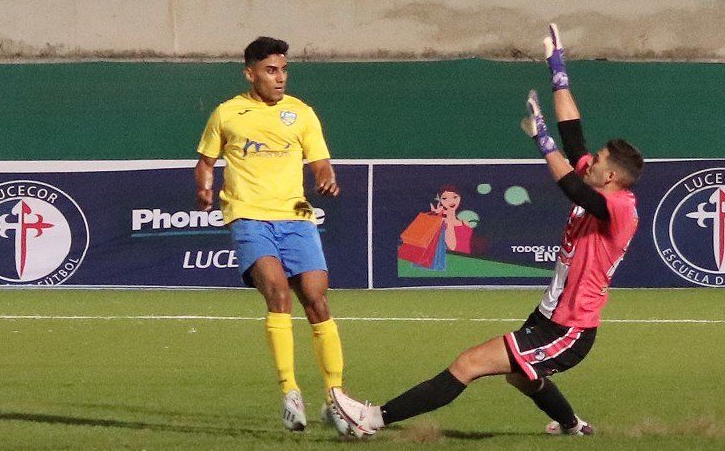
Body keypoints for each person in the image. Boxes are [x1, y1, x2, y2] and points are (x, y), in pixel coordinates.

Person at [329, 24, 644, 438]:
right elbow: (575, 137)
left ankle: (371, 420)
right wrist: (557, 67)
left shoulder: (619, 209)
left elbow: (570, 183)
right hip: (551, 315)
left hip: (570, 328)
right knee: (520, 376)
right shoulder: (601, 183)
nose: (591, 160)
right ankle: (573, 426)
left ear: (613, 176)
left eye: (600, 160)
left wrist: (543, 141)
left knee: (468, 364)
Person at [194, 36, 347, 432]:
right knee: (278, 294)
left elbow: (321, 163)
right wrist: (204, 186)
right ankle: (290, 393)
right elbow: (206, 160)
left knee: (317, 301)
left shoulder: (302, 113)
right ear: (251, 73)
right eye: (271, 71)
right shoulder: (228, 113)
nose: (280, 79)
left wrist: (327, 179)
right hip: (248, 216)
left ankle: (335, 396)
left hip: (296, 217)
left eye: (284, 70)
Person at [429, 184, 473, 254]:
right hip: (450, 260)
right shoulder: (441, 222)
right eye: (445, 198)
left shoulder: (465, 223)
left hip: (468, 260)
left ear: (460, 198)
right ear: (440, 200)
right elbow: (452, 247)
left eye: (455, 197)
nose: (451, 201)